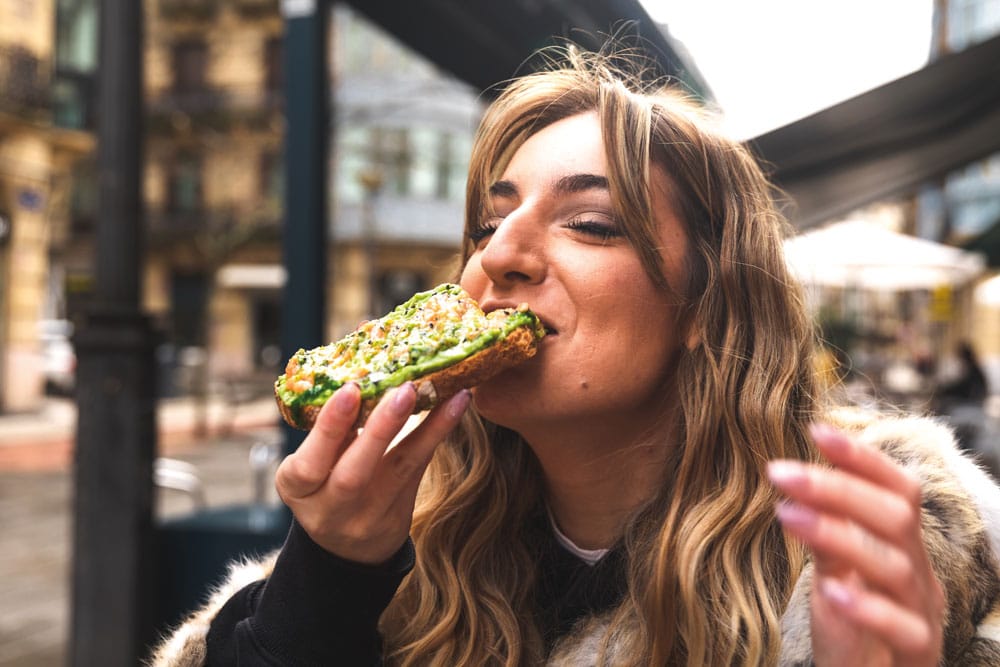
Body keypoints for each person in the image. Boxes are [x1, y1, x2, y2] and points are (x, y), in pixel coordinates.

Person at [152, 47, 1000, 666]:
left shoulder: (885, 561)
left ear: (705, 304)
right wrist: (326, 576)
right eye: (487, 225)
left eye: (590, 223)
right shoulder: (404, 562)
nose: (497, 257)